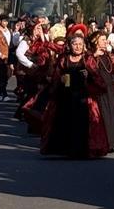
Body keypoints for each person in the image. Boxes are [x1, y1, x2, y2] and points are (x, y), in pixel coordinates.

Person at [40, 29, 109, 159]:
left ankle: (82, 150)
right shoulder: (64, 59)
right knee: (66, 123)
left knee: (82, 124)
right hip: (66, 96)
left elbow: (98, 78)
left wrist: (88, 76)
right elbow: (56, 76)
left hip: (84, 97)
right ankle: (67, 149)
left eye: (80, 44)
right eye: (75, 44)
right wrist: (60, 79)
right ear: (70, 45)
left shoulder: (87, 59)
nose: (77, 47)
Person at [90, 32, 114, 152]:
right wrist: (94, 55)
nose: (105, 42)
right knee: (104, 114)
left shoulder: (108, 55)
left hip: (110, 87)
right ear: (96, 41)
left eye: (105, 39)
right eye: (102, 40)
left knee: (113, 113)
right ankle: (106, 142)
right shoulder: (91, 55)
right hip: (99, 87)